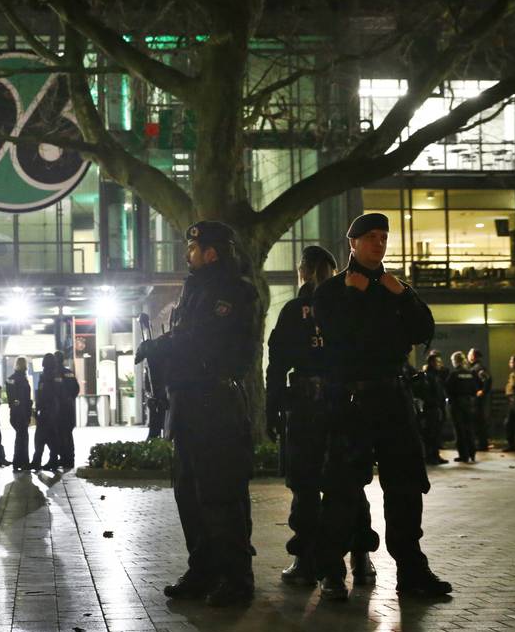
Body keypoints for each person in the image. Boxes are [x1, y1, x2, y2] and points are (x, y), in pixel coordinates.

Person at [312, 212, 450, 599]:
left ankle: (411, 571)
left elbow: (424, 330)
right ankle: (331, 570)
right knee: (341, 487)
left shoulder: (396, 288)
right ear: (352, 243)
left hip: (393, 396)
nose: (379, 243)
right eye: (370, 237)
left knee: (405, 486)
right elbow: (339, 336)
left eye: (383, 237)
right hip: (352, 399)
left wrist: (402, 294)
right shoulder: (333, 291)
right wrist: (354, 295)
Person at [136, 220, 260, 607]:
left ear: (212, 252)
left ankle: (235, 578)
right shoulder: (195, 290)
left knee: (220, 493)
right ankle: (203, 569)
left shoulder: (233, 292)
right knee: (189, 491)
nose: (187, 254)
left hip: (216, 402)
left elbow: (205, 340)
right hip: (189, 401)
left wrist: (162, 346)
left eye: (193, 248)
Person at [265, 245, 379, 588]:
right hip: (342, 402)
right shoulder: (348, 305)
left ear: (301, 272)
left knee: (306, 483)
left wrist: (272, 407)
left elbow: (277, 363)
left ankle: (306, 557)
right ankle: (360, 556)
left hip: (307, 404)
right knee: (347, 484)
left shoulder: (295, 310)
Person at [445, 352, 480, 463]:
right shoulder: (470, 374)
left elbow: (447, 389)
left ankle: (463, 455)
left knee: (459, 430)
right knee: (469, 429)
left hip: (456, 404)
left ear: (455, 361)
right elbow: (475, 390)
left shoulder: (454, 374)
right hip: (468, 404)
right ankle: (472, 453)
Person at [417, 351, 449, 465]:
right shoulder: (428, 375)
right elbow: (426, 393)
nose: (440, 364)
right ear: (431, 362)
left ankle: (435, 455)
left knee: (437, 433)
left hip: (438, 407)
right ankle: (431, 456)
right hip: (432, 408)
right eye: (437, 361)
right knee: (431, 433)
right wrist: (434, 403)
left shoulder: (436, 375)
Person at [30, 353, 60, 471]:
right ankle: (51, 460)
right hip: (52, 410)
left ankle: (39, 461)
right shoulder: (53, 375)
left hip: (48, 410)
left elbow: (43, 394)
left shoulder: (48, 376)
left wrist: (38, 408)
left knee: (42, 437)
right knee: (49, 436)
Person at [53, 350, 80, 469]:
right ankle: (70, 458)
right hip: (69, 408)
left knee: (60, 434)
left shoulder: (54, 373)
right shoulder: (69, 373)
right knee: (68, 434)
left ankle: (64, 458)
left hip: (59, 409)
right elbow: (76, 388)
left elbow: (53, 392)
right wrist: (71, 398)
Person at [6, 356, 33, 471]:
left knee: (20, 436)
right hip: (21, 412)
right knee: (23, 437)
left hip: (15, 412)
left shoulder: (11, 378)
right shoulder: (22, 379)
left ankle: (18, 461)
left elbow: (11, 397)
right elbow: (24, 397)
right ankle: (22, 462)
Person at [468, 348, 493, 451]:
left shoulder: (478, 368)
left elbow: (487, 379)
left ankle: (482, 444)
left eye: (470, 354)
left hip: (477, 400)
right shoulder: (474, 367)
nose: (468, 356)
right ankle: (481, 443)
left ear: (473, 356)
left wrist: (482, 391)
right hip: (476, 399)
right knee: (478, 422)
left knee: (479, 421)